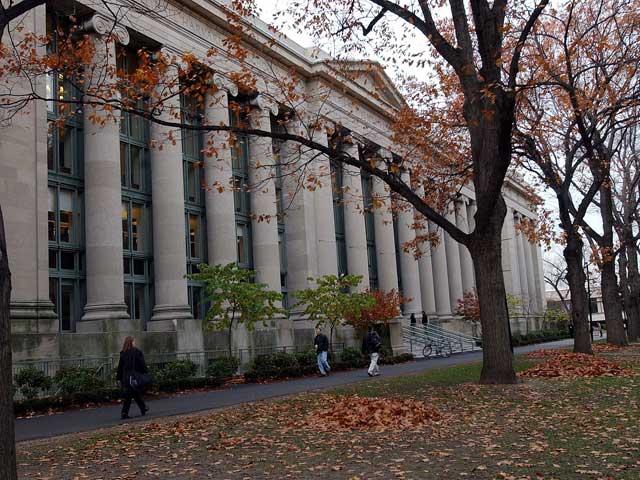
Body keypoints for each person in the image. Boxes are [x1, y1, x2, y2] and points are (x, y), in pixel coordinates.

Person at [116, 336, 149, 419]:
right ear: (132, 342)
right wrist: (145, 373)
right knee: (130, 395)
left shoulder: (123, 353)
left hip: (126, 377)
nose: (135, 343)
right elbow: (142, 364)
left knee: (133, 393)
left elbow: (120, 367)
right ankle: (124, 413)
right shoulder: (137, 352)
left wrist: (118, 378)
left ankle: (143, 407)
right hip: (134, 376)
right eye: (134, 341)